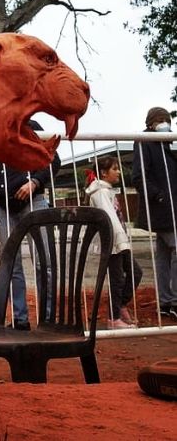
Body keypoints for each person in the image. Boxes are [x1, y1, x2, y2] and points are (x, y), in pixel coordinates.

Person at [0, 119, 60, 330]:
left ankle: (48, 319)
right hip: (3, 207)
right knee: (12, 264)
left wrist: (34, 183)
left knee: (45, 263)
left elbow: (53, 160)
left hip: (34, 201)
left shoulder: (33, 126)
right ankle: (20, 320)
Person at [85, 157, 143, 328]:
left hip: (119, 241)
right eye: (115, 169)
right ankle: (114, 318)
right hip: (112, 243)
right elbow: (110, 219)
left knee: (135, 272)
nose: (118, 172)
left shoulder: (106, 190)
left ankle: (120, 306)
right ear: (104, 173)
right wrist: (120, 242)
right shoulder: (100, 192)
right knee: (116, 279)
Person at [132, 106, 177, 320]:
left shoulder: (169, 144)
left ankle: (166, 302)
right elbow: (139, 176)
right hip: (162, 208)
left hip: (172, 209)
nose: (164, 123)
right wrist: (158, 196)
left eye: (166, 119)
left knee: (164, 255)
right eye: (160, 120)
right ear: (150, 123)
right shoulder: (145, 141)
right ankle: (174, 300)